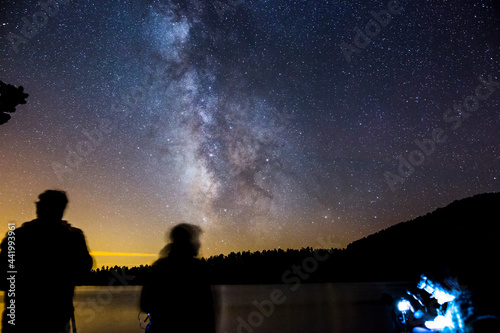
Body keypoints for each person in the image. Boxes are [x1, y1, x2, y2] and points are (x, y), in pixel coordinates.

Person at [0, 190, 93, 333]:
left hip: (22, 318)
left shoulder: (16, 237)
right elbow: (82, 275)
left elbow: (3, 278)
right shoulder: (73, 237)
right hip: (52, 317)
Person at [140, 223, 216, 332]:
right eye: (196, 240)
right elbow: (208, 310)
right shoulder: (198, 269)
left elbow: (145, 305)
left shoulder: (159, 267)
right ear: (187, 241)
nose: (199, 244)